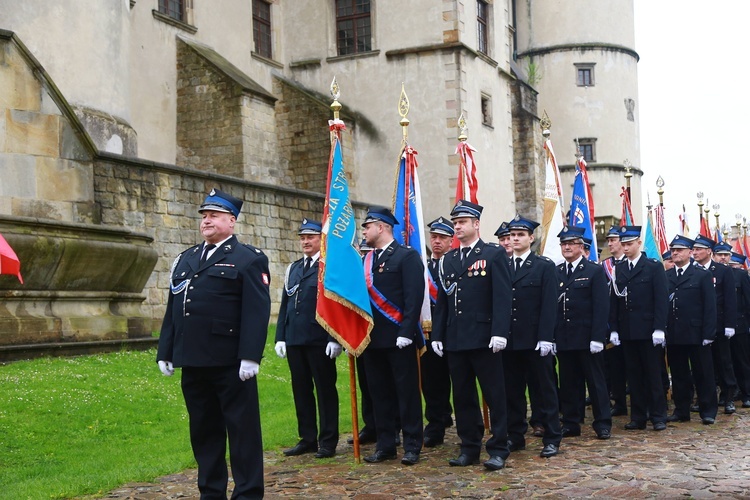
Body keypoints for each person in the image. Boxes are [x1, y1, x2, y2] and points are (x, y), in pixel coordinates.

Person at [156, 188, 271, 499]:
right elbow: (174, 309)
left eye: (214, 215)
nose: (206, 220)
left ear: (231, 221)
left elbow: (257, 311)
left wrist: (250, 356)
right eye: (204, 215)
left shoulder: (248, 259)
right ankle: (211, 491)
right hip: (193, 360)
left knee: (242, 432)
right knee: (204, 432)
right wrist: (165, 350)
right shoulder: (186, 258)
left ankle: (247, 492)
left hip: (230, 361)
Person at [432, 200, 512, 471]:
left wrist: (500, 332)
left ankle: (499, 447)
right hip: (456, 338)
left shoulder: (493, 254)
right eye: (455, 222)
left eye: (462, 222)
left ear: (476, 224)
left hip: (484, 337)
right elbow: (443, 300)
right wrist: (438, 335)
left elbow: (503, 296)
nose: (457, 226)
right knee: (463, 396)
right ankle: (469, 447)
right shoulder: (448, 259)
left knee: (495, 394)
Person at [360, 206, 425, 466]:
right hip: (372, 339)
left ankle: (412, 445)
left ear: (382, 227)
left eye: (367, 226)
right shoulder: (366, 260)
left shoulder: (405, 256)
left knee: (406, 393)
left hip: (399, 338)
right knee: (379, 394)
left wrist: (407, 331)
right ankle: (385, 445)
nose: (364, 231)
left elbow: (414, 296)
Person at [275, 219, 342, 459]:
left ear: (320, 240)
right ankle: (307, 438)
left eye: (310, 237)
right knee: (300, 389)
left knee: (325, 390)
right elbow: (286, 304)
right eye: (302, 238)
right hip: (295, 338)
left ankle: (328, 440)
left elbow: (335, 305)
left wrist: (334, 338)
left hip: (319, 339)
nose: (305, 241)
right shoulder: (293, 268)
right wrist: (280, 336)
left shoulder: (328, 268)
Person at [504, 215, 561, 458]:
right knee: (512, 392)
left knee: (544, 391)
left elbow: (549, 305)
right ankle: (515, 437)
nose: (515, 239)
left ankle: (552, 437)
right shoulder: (503, 265)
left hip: (536, 341)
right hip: (510, 340)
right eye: (512, 235)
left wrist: (546, 337)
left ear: (531, 238)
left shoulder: (544, 266)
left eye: (520, 235)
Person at [609, 225, 669, 431]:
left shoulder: (653, 266)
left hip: (649, 331)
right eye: (623, 244)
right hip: (628, 331)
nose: (625, 247)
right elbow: (615, 301)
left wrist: (659, 328)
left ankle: (658, 415)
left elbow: (661, 300)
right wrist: (614, 329)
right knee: (633, 375)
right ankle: (638, 416)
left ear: (638, 243)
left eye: (629, 244)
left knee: (653, 374)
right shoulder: (620, 268)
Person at [555, 226, 612, 439]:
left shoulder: (593, 270)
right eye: (563, 244)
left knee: (596, 382)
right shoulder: (557, 271)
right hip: (565, 336)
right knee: (569, 382)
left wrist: (598, 337)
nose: (567, 247)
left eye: (570, 244)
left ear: (581, 247)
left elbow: (601, 306)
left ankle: (603, 422)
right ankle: (571, 422)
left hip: (588, 338)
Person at [664, 235, 718, 425]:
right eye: (673, 250)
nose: (675, 253)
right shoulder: (667, 276)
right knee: (679, 374)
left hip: (697, 333)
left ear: (689, 252)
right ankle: (681, 410)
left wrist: (709, 333)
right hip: (675, 333)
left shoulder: (701, 275)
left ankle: (708, 410)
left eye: (679, 250)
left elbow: (710, 307)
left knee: (703, 373)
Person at [693, 235, 738, 414]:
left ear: (709, 251)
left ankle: (728, 397)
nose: (694, 252)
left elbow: (729, 299)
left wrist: (730, 324)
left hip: (719, 324)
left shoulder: (721, 271)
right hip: (699, 325)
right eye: (693, 249)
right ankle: (703, 397)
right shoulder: (693, 270)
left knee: (723, 362)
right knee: (702, 365)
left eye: (698, 249)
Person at [422, 216, 455, 447]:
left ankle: (465, 422)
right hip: (429, 332)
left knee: (460, 381)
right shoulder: (423, 267)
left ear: (451, 241)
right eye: (434, 237)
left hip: (454, 331)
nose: (437, 242)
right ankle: (436, 423)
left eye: (442, 238)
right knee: (432, 381)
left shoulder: (455, 264)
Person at [603, 225, 628, 417]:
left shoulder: (633, 262)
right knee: (614, 366)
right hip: (611, 324)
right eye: (608, 240)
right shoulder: (604, 266)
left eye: (613, 239)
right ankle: (618, 401)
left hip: (631, 323)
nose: (610, 243)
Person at [727, 251, 750, 408]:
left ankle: (747, 392)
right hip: (720, 326)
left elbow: (748, 300)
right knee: (725, 362)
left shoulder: (740, 276)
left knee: (742, 361)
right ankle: (730, 392)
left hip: (739, 325)